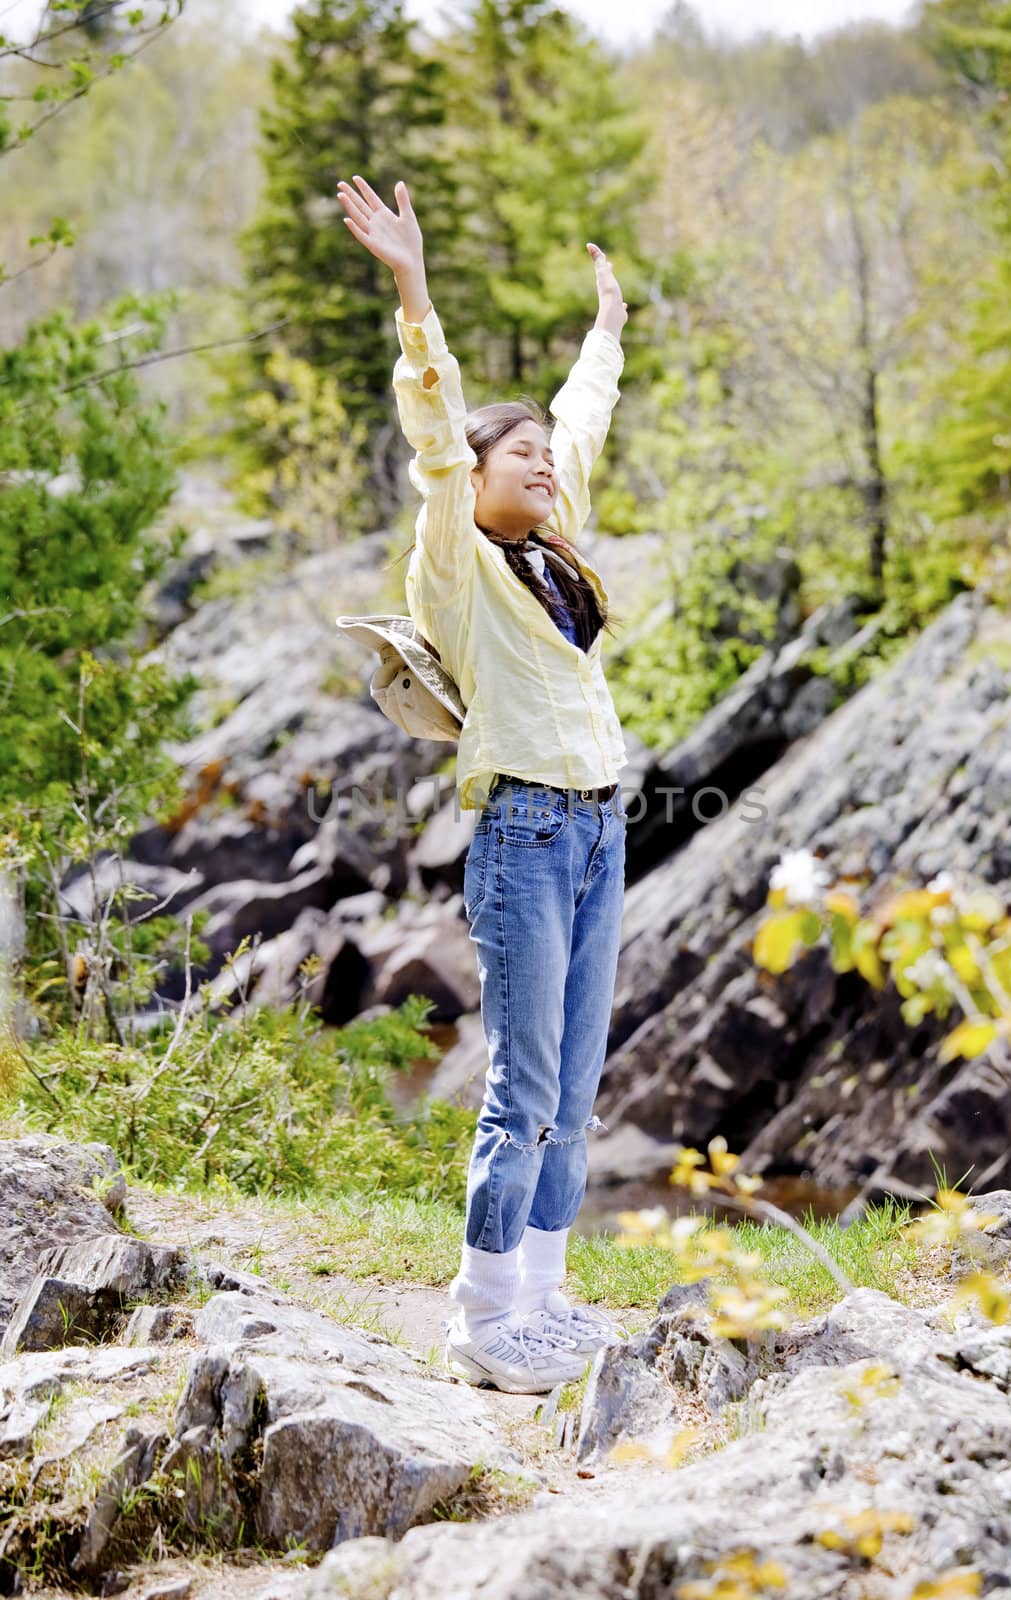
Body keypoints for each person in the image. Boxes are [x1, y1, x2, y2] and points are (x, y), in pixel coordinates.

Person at [336, 172, 630, 1395]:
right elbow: (435, 417)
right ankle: (479, 1314)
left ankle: (545, 1300)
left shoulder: (557, 559)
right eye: (519, 455)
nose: (545, 466)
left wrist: (607, 329)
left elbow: (581, 418)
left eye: (542, 456)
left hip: (601, 829)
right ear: (477, 472)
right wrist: (413, 289)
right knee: (524, 1083)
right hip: (520, 833)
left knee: (579, 1077)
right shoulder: (456, 557)